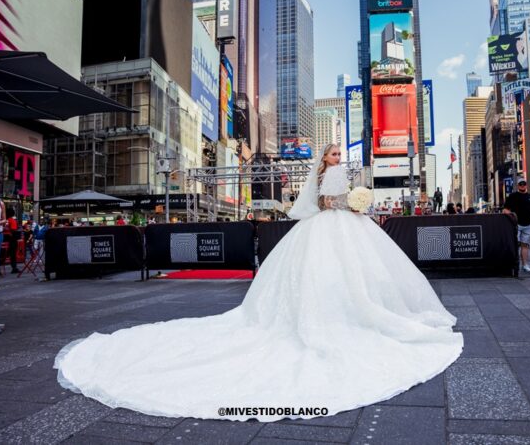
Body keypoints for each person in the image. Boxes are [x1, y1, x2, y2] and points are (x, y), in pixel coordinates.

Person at [53, 143, 464, 422]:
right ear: (327, 157)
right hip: (338, 224)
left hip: (330, 226)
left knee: (338, 275)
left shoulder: (327, 174)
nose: (337, 156)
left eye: (339, 152)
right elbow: (326, 203)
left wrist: (352, 203)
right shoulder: (334, 176)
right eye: (334, 152)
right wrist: (354, 206)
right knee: (347, 275)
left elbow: (318, 203)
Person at [503, 178, 530, 272]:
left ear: (526, 185)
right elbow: (505, 210)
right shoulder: (512, 196)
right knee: (515, 245)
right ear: (518, 185)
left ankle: (525, 264)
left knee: (525, 245)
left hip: (529, 225)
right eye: (520, 184)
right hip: (516, 225)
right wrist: (512, 218)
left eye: (524, 184)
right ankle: (514, 264)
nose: (522, 185)